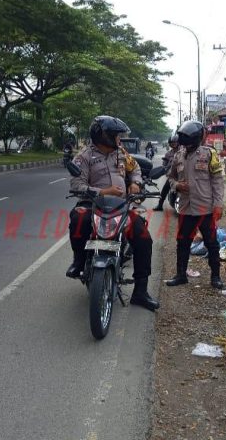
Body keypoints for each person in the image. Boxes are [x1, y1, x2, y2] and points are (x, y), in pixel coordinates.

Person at [67, 115, 159, 311]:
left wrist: (135, 183)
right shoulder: (84, 157)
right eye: (116, 135)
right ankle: (79, 260)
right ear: (104, 136)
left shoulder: (121, 153)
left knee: (143, 237)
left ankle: (140, 291)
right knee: (78, 218)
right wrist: (103, 191)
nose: (119, 139)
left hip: (121, 206)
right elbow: (77, 184)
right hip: (93, 205)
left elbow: (135, 169)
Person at [165, 121, 225, 290]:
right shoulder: (178, 155)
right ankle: (181, 275)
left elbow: (217, 181)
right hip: (185, 208)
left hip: (205, 208)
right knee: (182, 242)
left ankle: (216, 277)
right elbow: (170, 177)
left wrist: (218, 204)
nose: (186, 146)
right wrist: (177, 185)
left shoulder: (209, 154)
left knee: (211, 243)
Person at [153, 133, 180, 211]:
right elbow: (164, 164)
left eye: (175, 142)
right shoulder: (168, 154)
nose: (173, 144)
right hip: (173, 176)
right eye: (172, 142)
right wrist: (164, 168)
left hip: (183, 175)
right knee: (165, 188)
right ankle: (160, 205)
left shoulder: (183, 151)